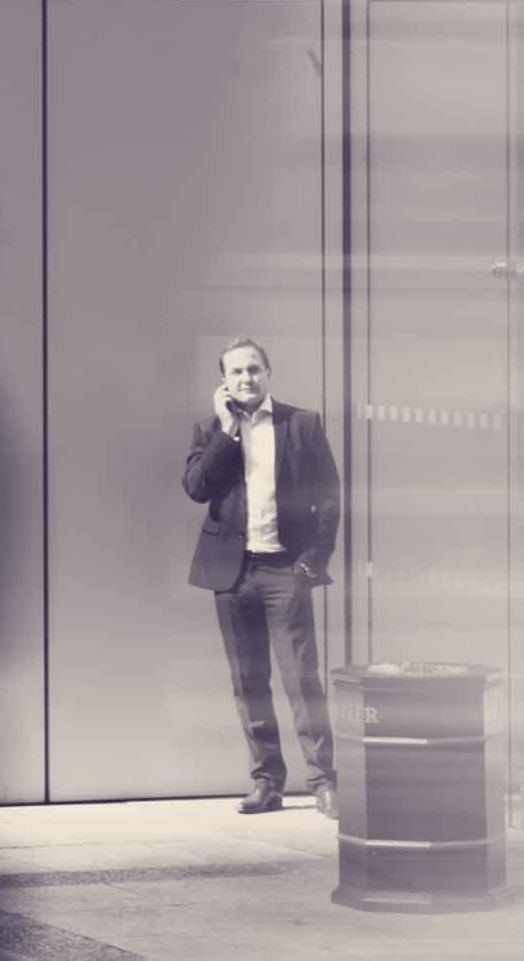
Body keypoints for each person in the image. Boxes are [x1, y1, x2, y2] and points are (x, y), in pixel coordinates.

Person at [181, 336, 342, 817]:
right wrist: (227, 432)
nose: (246, 379)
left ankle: (324, 783)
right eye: (236, 373)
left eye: (254, 370)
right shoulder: (211, 428)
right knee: (248, 682)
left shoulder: (303, 424)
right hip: (232, 576)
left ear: (268, 373)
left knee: (301, 680)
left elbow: (330, 497)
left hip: (284, 570)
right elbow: (196, 488)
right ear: (223, 382)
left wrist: (313, 560)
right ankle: (267, 783)